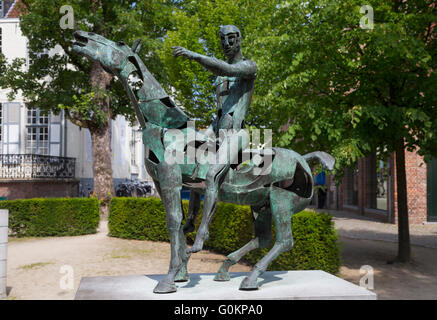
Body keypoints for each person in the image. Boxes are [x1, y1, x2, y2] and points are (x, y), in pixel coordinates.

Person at [172, 25, 257, 253]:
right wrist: (200, 137)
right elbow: (218, 115)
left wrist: (193, 55)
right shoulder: (220, 79)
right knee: (191, 165)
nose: (227, 44)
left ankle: (203, 232)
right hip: (218, 132)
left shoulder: (248, 67)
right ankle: (190, 219)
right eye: (223, 40)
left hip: (237, 134)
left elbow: (227, 69)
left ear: (239, 39)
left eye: (231, 39)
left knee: (211, 174)